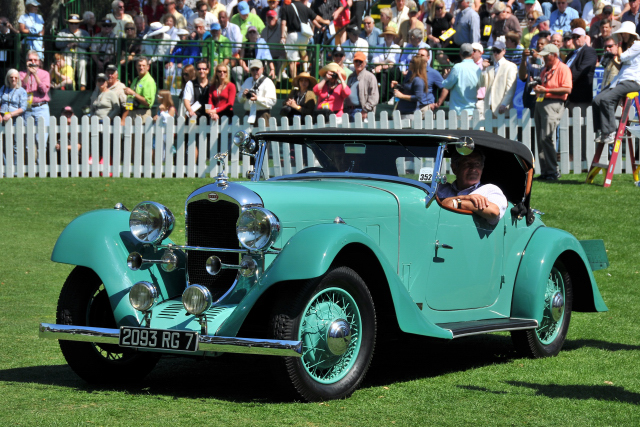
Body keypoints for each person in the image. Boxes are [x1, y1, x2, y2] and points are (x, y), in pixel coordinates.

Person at [592, 22, 640, 144]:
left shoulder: (637, 45)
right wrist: (614, 61)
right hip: (622, 80)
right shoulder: (628, 47)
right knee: (597, 100)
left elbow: (623, 57)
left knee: (606, 99)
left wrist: (618, 43)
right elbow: (622, 66)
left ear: (630, 34)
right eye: (621, 34)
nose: (622, 36)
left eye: (624, 34)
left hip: (632, 81)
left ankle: (611, 132)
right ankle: (602, 131)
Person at [437, 149, 507, 225]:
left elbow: (493, 212)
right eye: (467, 163)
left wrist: (458, 203)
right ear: (454, 168)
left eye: (477, 163)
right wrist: (466, 198)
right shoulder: (440, 189)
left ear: (482, 168)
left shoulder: (489, 190)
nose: (473, 169)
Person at [533, 44, 572, 180]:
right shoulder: (546, 69)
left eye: (546, 56)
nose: (544, 58)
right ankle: (546, 172)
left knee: (546, 137)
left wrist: (546, 90)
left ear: (555, 55)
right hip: (542, 103)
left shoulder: (563, 68)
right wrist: (539, 88)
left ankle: (553, 171)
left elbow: (567, 89)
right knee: (541, 138)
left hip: (553, 103)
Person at [280, 0, 329, 78]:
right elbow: (316, 18)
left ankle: (295, 82)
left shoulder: (286, 8)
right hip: (304, 35)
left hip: (292, 35)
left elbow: (283, 23)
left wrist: (282, 36)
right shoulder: (305, 8)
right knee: (304, 53)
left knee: (292, 61)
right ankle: (306, 72)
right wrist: (325, 21)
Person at [480, 37, 518, 116]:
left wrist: (504, 104)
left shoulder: (510, 66)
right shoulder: (489, 67)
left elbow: (510, 89)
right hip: (488, 108)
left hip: (501, 109)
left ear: (504, 51)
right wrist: (483, 69)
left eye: (498, 51)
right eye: (494, 51)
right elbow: (482, 84)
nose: (495, 53)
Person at [442, 43, 482, 114]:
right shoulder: (477, 69)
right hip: (472, 111)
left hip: (457, 111)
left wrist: (445, 77)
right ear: (472, 53)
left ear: (460, 54)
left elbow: (446, 85)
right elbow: (480, 85)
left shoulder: (457, 67)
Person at [565, 27, 597, 114]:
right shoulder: (571, 54)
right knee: (568, 125)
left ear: (584, 37)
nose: (575, 39)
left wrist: (564, 82)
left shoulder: (589, 51)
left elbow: (581, 70)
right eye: (573, 37)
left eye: (578, 36)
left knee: (581, 125)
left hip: (581, 96)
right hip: (569, 96)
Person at [1, 69, 27, 171]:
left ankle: (17, 169)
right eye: (11, 77)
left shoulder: (22, 91)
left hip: (16, 119)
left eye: (16, 77)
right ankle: (5, 167)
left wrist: (10, 114)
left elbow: (23, 108)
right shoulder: (3, 89)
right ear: (8, 78)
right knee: (3, 144)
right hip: (3, 119)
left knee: (16, 145)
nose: (13, 79)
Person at [55, 14, 90, 91]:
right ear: (68, 24)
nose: (74, 25)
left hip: (80, 56)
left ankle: (82, 86)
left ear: (79, 24)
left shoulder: (84, 33)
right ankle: (70, 85)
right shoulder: (62, 32)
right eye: (71, 23)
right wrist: (67, 42)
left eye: (76, 23)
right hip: (67, 55)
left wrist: (77, 43)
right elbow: (57, 44)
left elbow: (88, 43)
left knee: (82, 63)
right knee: (67, 64)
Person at [238, 59, 277, 126]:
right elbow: (239, 99)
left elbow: (272, 101)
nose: (255, 72)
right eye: (253, 69)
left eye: (257, 69)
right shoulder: (247, 81)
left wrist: (257, 99)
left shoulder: (268, 82)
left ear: (262, 69)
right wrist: (243, 95)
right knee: (248, 136)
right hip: (248, 114)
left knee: (262, 136)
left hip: (262, 114)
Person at [344, 51, 379, 122]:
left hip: (362, 111)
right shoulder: (351, 76)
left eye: (361, 61)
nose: (358, 63)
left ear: (365, 63)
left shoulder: (370, 77)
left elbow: (374, 96)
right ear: (353, 63)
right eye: (356, 61)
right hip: (349, 110)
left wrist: (365, 110)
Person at [391, 55, 429, 119]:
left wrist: (401, 96)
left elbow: (418, 97)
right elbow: (407, 89)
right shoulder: (410, 76)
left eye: (411, 62)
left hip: (410, 114)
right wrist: (397, 85)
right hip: (402, 111)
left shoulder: (418, 80)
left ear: (416, 65)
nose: (409, 63)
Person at [519, 35, 549, 115]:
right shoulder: (530, 60)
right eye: (538, 44)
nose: (539, 45)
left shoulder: (550, 59)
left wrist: (539, 57)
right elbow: (522, 76)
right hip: (529, 97)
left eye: (542, 44)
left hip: (544, 97)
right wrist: (524, 59)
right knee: (530, 125)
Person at [122, 57, 157, 125]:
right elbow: (130, 98)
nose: (141, 67)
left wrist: (133, 93)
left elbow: (148, 102)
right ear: (136, 67)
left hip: (142, 114)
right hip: (132, 113)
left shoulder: (149, 81)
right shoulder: (136, 80)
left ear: (148, 67)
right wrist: (125, 116)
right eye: (139, 65)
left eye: (143, 65)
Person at [372, 27, 401, 103]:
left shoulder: (397, 48)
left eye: (390, 35)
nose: (388, 36)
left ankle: (390, 96)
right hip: (380, 70)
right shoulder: (378, 47)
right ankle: (378, 97)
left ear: (393, 37)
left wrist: (381, 65)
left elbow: (394, 62)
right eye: (387, 35)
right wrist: (385, 64)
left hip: (391, 70)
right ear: (384, 36)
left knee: (390, 73)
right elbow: (375, 61)